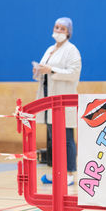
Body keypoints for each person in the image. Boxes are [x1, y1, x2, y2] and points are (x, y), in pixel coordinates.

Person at [33, 17, 82, 186]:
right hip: (48, 101)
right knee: (53, 139)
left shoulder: (72, 50)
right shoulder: (49, 50)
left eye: (62, 28)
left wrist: (51, 70)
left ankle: (69, 173)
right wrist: (39, 70)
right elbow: (45, 69)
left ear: (68, 32)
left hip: (63, 100)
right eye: (56, 27)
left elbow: (74, 73)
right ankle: (56, 172)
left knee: (66, 138)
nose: (58, 31)